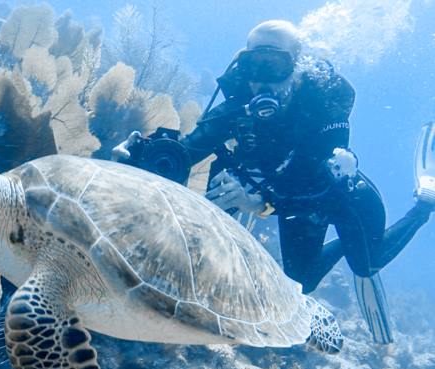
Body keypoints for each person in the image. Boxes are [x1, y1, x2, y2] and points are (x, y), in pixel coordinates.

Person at [113, 20, 435, 343]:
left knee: (367, 264)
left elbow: (321, 186)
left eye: (275, 66)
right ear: (244, 66)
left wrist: (262, 204)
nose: (263, 80)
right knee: (302, 282)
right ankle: (345, 247)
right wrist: (139, 159)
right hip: (292, 205)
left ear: (296, 68)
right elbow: (186, 150)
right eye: (256, 65)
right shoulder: (235, 111)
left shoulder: (322, 106)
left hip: (341, 197)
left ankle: (423, 205)